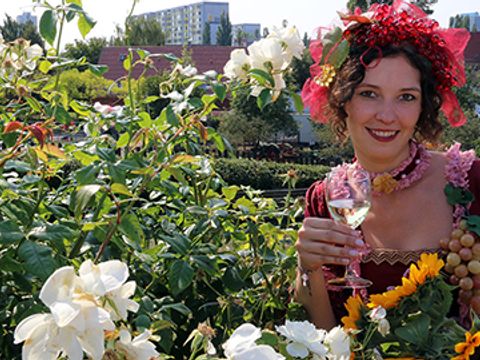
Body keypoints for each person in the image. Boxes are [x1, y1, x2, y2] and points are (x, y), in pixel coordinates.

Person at [295, 0, 478, 330]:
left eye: (406, 96)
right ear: (342, 99)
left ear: (424, 106)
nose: (387, 115)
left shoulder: (471, 181)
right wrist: (307, 269)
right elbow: (323, 335)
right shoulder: (325, 200)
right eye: (369, 93)